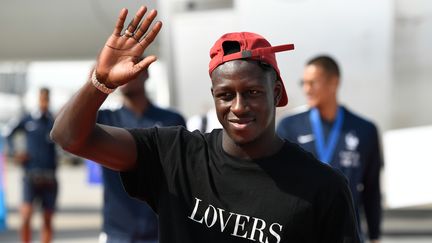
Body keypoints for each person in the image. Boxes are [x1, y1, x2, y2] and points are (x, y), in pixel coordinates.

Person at [50, 6, 360, 242]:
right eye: (226, 95)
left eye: (252, 92)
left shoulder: (324, 187)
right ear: (214, 96)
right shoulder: (175, 154)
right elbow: (69, 137)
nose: (239, 107)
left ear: (276, 91)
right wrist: (100, 82)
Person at [277, 55, 383, 243]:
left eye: (313, 83)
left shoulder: (364, 130)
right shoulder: (289, 126)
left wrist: (374, 236)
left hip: (347, 233)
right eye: (304, 82)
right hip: (301, 232)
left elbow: (372, 188)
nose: (306, 89)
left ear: (334, 82)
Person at [95, 66, 186, 243]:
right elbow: (65, 131)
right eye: (119, 68)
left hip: (161, 229)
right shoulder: (105, 118)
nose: (125, 75)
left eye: (132, 68)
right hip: (118, 229)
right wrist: (98, 80)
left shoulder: (172, 119)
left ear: (145, 73)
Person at [3, 87, 58, 243]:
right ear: (38, 99)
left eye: (47, 99)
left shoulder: (53, 121)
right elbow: (8, 133)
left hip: (49, 177)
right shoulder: (28, 120)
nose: (44, 102)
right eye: (42, 99)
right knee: (26, 215)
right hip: (30, 177)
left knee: (47, 218)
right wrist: (15, 152)